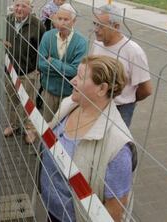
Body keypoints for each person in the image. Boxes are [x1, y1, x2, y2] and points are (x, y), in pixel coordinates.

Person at [40, 55, 137, 222]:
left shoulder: (118, 147)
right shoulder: (69, 105)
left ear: (102, 89)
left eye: (81, 77)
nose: (72, 81)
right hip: (51, 208)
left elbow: (114, 212)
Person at [0, 0, 45, 144]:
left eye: (23, 6)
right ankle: (14, 125)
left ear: (30, 8)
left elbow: (43, 48)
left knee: (29, 102)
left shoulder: (37, 25)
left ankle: (30, 129)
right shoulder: (7, 20)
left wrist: (39, 69)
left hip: (28, 72)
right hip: (9, 70)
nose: (19, 9)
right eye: (17, 5)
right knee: (12, 100)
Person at [91, 4, 152, 127]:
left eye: (101, 26)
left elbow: (146, 89)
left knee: (114, 144)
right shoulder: (97, 43)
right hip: (96, 103)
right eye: (95, 24)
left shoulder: (133, 51)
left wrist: (126, 99)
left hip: (120, 109)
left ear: (116, 26)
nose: (96, 29)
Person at [38, 3, 87, 123]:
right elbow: (41, 64)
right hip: (49, 90)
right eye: (59, 18)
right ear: (54, 19)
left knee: (64, 126)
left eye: (66, 19)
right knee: (47, 124)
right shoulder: (47, 36)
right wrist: (65, 70)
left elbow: (75, 70)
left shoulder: (81, 42)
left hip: (69, 94)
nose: (62, 23)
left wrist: (52, 61)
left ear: (74, 21)